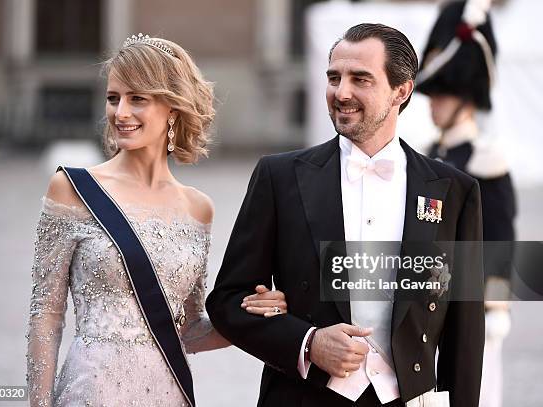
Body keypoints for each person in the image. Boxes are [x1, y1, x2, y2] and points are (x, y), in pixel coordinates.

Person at [207, 23, 484, 407]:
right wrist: (308, 343)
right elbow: (226, 302)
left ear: (401, 90)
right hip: (302, 398)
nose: (342, 92)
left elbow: (465, 331)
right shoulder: (279, 176)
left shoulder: (455, 191)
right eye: (334, 77)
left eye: (360, 79)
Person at [25, 34, 288, 407]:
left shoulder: (198, 208)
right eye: (114, 98)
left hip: (168, 393)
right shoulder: (72, 188)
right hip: (91, 392)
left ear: (173, 109)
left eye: (138, 99)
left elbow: (189, 331)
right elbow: (45, 317)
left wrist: (252, 316)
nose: (120, 113)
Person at [414, 2, 516, 407]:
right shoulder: (429, 154)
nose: (432, 103)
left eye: (443, 94)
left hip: (474, 313)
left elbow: (500, 239)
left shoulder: (486, 161)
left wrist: (496, 307)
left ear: (466, 98)